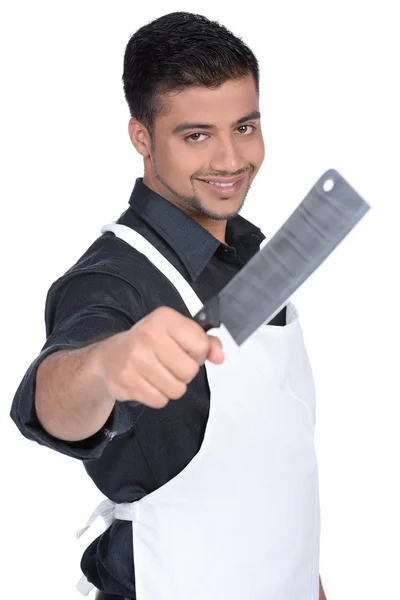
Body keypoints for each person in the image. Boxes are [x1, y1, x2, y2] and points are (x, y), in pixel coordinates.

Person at [10, 11, 327, 600]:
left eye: (246, 126)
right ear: (142, 138)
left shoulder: (255, 253)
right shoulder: (114, 278)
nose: (231, 160)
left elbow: (280, 476)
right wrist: (108, 365)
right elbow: (50, 400)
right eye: (196, 135)